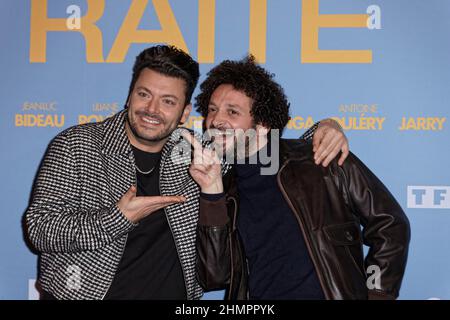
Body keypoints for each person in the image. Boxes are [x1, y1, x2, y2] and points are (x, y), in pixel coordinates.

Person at [25, 46, 348, 300]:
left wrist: (325, 127)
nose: (152, 109)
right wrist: (119, 217)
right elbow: (40, 230)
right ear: (129, 95)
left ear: (183, 113)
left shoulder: (196, 149)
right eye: (143, 94)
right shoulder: (80, 145)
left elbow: (263, 143)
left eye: (168, 101)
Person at [187, 56, 411, 300]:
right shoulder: (222, 188)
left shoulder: (320, 158)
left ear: (262, 124)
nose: (216, 120)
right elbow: (214, 278)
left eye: (233, 112)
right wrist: (211, 193)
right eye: (212, 109)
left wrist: (376, 293)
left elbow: (390, 225)